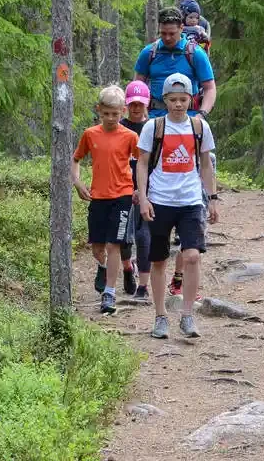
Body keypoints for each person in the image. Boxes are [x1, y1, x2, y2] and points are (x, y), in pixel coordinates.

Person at [135, 6, 218, 297]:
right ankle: (146, 269)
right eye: (163, 32)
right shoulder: (150, 53)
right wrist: (142, 116)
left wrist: (202, 116)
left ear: (181, 29)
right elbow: (138, 85)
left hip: (190, 127)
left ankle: (182, 276)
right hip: (156, 128)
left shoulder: (195, 54)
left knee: (193, 206)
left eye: (172, 33)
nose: (167, 37)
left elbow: (209, 88)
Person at [135, 73, 220, 339]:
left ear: (191, 100)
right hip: (160, 201)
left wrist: (213, 198)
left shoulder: (199, 128)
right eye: (173, 100)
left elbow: (206, 164)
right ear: (165, 100)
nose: (178, 105)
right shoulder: (153, 126)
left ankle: (187, 315)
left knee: (192, 256)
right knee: (158, 260)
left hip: (191, 201)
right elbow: (142, 163)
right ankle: (160, 316)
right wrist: (144, 197)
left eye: (183, 99)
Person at [71, 85, 140, 314]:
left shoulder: (130, 136)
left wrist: (140, 190)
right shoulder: (90, 134)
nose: (111, 118)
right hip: (97, 197)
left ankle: (109, 293)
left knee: (114, 245)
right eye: (106, 113)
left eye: (116, 114)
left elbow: (142, 163)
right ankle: (102, 267)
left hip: (122, 196)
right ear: (99, 110)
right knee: (98, 248)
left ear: (123, 111)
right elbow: (76, 159)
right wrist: (78, 182)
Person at [122, 80, 152, 300]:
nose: (136, 108)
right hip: (120, 189)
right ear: (126, 104)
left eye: (140, 104)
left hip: (147, 190)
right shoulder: (119, 126)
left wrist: (143, 191)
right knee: (123, 239)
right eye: (132, 103)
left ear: (146, 104)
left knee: (143, 237)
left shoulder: (153, 128)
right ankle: (126, 268)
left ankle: (143, 285)